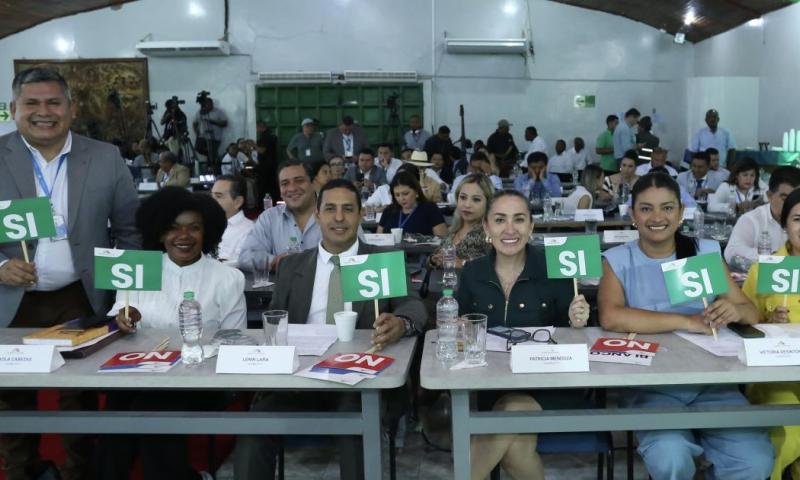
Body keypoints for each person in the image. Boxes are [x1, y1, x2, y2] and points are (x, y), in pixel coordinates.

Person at [0, 66, 140, 480]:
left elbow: (131, 231)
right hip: (12, 302)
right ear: (13, 110)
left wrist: (122, 295)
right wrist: (1, 266)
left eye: (53, 102)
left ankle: (80, 473)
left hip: (82, 298)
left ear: (71, 109)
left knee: (79, 400)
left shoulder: (104, 157)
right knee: (10, 401)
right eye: (32, 104)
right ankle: (20, 472)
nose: (44, 112)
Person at [234, 178, 425, 480]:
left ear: (360, 215)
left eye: (348, 209)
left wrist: (401, 322)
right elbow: (274, 321)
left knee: (356, 422)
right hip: (298, 380)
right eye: (330, 209)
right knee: (255, 424)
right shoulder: (292, 266)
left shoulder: (380, 261)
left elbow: (414, 306)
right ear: (317, 216)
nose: (339, 218)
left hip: (361, 383)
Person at [598, 171, 774, 480]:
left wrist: (733, 309)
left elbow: (751, 312)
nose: (657, 217)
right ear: (632, 215)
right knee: (670, 456)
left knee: (755, 459)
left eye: (667, 208)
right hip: (649, 387)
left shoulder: (704, 252)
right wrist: (687, 322)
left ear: (681, 212)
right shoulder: (617, 259)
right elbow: (611, 316)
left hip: (714, 384)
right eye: (646, 208)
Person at [97, 187, 244, 480]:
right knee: (114, 420)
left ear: (208, 232)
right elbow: (115, 322)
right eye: (173, 228)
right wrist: (122, 321)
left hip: (201, 380)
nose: (184, 236)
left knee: (151, 410)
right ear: (159, 232)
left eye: (194, 228)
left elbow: (234, 340)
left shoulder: (228, 278)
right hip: (138, 375)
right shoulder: (137, 271)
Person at [456, 190, 591, 480]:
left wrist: (577, 323)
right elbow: (460, 330)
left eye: (519, 220)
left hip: (551, 385)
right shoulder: (471, 272)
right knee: (515, 444)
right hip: (491, 385)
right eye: (500, 220)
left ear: (531, 226)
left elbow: (575, 339)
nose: (509, 230)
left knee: (511, 410)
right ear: (487, 227)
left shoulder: (555, 267)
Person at [743, 187, 800, 480]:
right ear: (784, 224)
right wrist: (767, 321)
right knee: (790, 429)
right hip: (774, 374)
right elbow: (742, 323)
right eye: (798, 218)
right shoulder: (764, 269)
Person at [239, 161, 320, 272]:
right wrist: (275, 261)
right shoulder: (269, 218)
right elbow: (245, 256)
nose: (292, 188)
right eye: (285, 183)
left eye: (299, 181)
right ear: (280, 191)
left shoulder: (333, 214)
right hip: (285, 288)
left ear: (314, 184)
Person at [724, 166, 800, 264]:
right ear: (770, 196)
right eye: (785, 199)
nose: (792, 205)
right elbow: (732, 252)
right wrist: (772, 258)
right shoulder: (751, 219)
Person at [428, 173, 494, 269]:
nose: (467, 204)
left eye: (476, 199)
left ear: (488, 203)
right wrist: (433, 260)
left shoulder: (490, 233)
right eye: (463, 197)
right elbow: (429, 262)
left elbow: (497, 267)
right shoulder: (452, 231)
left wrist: (462, 263)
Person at [377, 172, 447, 236]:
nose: (401, 198)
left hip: (422, 250)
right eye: (397, 195)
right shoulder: (389, 210)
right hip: (390, 250)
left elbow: (442, 239)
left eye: (405, 194)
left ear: (416, 192)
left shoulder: (430, 209)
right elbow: (378, 238)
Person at [211, 175, 255, 266]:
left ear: (237, 202)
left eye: (218, 196)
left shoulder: (250, 231)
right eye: (211, 196)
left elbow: (239, 264)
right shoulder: (206, 224)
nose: (211, 201)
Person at [192, 96, 228, 173]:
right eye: (207, 104)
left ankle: (213, 169)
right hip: (202, 136)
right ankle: (211, 158)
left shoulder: (218, 112)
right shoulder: (200, 112)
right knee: (198, 148)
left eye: (210, 104)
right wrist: (197, 133)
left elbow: (225, 123)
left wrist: (213, 122)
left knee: (212, 153)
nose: (208, 106)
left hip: (215, 137)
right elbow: (195, 123)